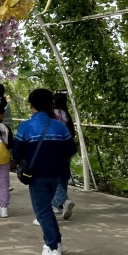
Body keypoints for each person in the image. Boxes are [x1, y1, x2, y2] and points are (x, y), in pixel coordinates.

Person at [12, 88, 77, 255]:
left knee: (42, 211)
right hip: (57, 174)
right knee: (46, 208)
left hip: (36, 175)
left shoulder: (26, 126)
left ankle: (53, 248)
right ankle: (58, 242)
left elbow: (16, 153)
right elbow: (72, 149)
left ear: (31, 105)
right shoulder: (59, 126)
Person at [52, 91, 76, 220]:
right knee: (63, 177)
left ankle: (63, 201)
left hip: (55, 149)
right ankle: (59, 205)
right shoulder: (67, 116)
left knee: (52, 176)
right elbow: (72, 133)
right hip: (67, 149)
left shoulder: (52, 115)